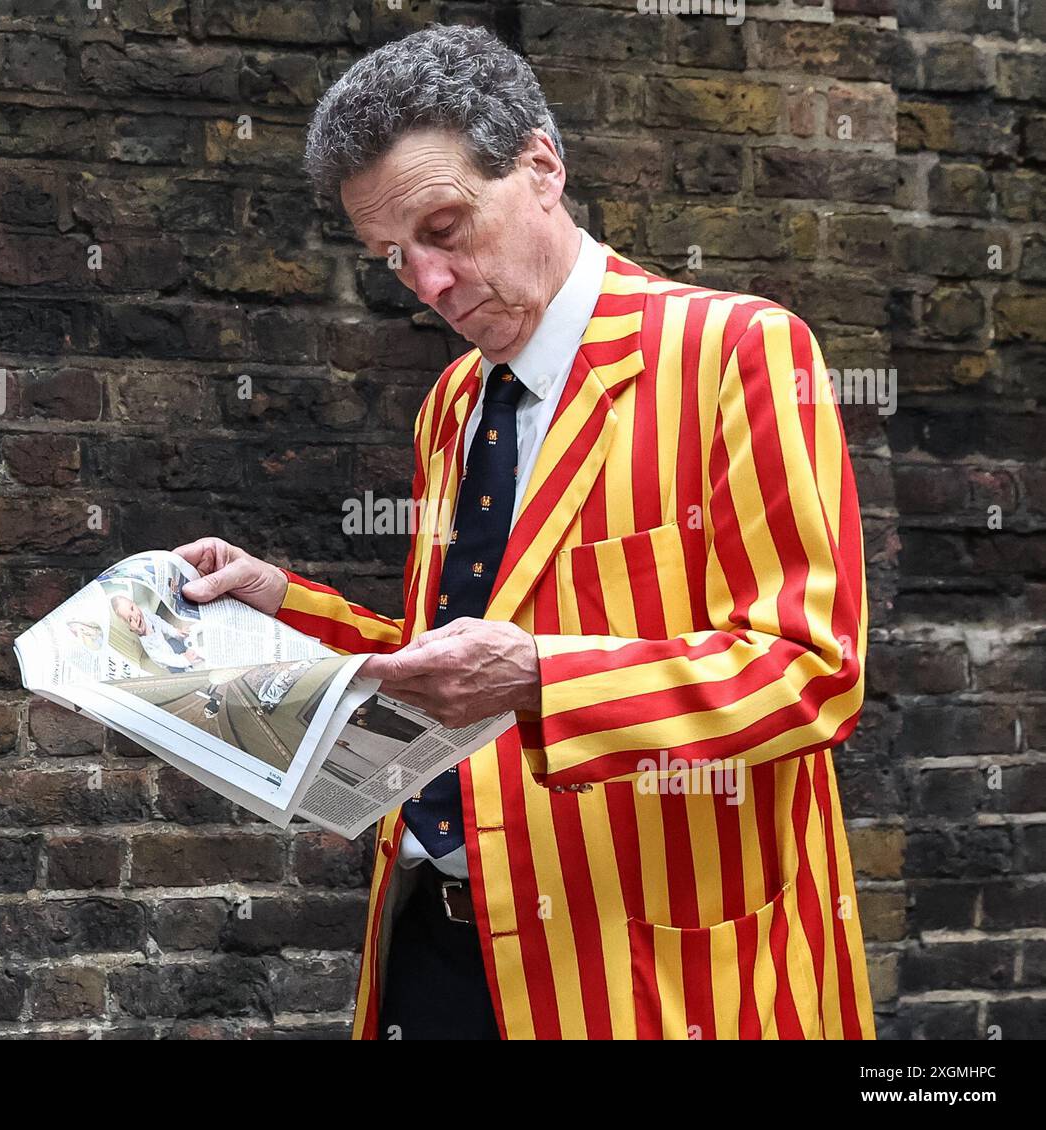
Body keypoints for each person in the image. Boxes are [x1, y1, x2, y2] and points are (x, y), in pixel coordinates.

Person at [175, 24, 873, 1041]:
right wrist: (285, 607)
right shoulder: (454, 401)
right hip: (432, 949)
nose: (427, 284)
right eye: (391, 256)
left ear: (542, 165)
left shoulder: (742, 350)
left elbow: (811, 671)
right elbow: (454, 669)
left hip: (652, 974)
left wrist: (544, 673)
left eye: (445, 228)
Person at [110, 594, 202, 673]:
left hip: (167, 644)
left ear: (136, 605)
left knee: (175, 642)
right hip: (169, 661)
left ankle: (188, 654)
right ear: (131, 629)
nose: (135, 617)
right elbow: (167, 659)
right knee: (179, 670)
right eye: (130, 619)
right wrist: (184, 660)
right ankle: (187, 670)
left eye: (132, 609)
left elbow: (160, 623)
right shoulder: (150, 648)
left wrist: (175, 631)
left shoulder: (145, 614)